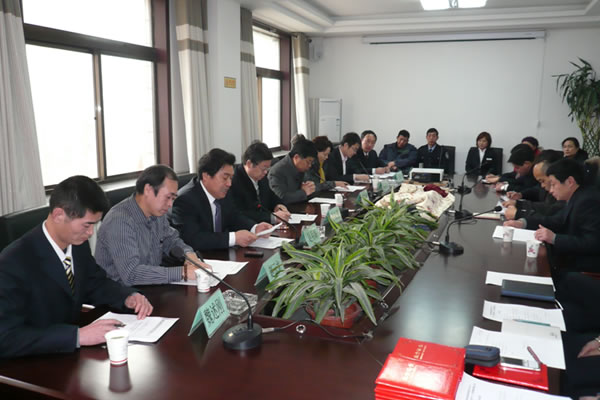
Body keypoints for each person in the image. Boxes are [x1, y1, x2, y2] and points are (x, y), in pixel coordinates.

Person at [0, 176, 153, 358]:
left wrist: (127, 296)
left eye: (94, 225)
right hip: (31, 362)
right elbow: (5, 337)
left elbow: (95, 283)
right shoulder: (12, 262)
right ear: (58, 215)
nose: (90, 233)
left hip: (69, 356)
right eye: (87, 225)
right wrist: (77, 336)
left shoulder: (77, 245)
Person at [95, 165, 208, 286]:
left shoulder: (157, 213)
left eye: (173, 199)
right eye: (168, 197)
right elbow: (131, 274)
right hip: (120, 291)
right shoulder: (119, 221)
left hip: (150, 286)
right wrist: (182, 272)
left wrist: (189, 254)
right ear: (148, 189)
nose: (170, 204)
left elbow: (171, 239)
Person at [504, 158, 600, 274]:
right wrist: (523, 223)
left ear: (570, 182)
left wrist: (554, 238)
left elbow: (593, 243)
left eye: (554, 184)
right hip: (569, 260)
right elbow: (555, 221)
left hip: (582, 268)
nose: (551, 190)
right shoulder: (577, 197)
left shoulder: (588, 201)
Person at [170, 149, 272, 251]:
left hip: (222, 254)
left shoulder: (223, 192)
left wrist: (254, 227)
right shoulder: (185, 200)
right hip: (200, 256)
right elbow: (192, 239)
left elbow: (234, 216)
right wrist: (234, 238)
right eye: (225, 178)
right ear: (206, 176)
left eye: (231, 178)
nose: (229, 184)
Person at [230, 141, 290, 224]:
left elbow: (272, 197)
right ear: (249, 164)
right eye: (263, 168)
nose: (266, 172)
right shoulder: (234, 181)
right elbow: (241, 213)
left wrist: (279, 205)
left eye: (267, 169)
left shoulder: (262, 177)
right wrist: (272, 218)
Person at [502, 150, 565, 220]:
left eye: (542, 181)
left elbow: (550, 210)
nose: (542, 185)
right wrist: (520, 195)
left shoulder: (562, 193)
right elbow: (537, 190)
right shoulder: (546, 184)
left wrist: (519, 210)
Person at [268, 139, 318, 204]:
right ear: (296, 157)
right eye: (308, 162)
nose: (310, 165)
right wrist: (304, 192)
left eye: (311, 162)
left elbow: (305, 190)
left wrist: (310, 188)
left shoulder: (300, 167)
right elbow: (281, 198)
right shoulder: (277, 172)